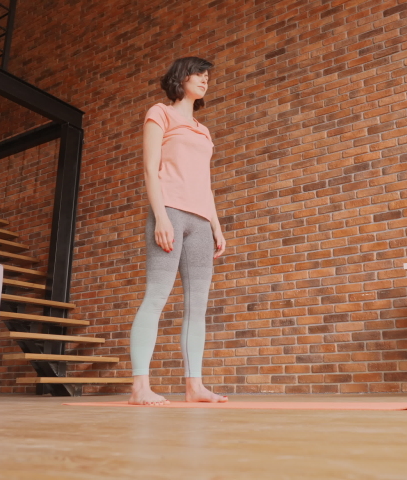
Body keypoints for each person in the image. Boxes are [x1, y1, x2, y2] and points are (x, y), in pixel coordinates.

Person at [128, 57, 228, 405]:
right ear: (180, 78)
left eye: (207, 76)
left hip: (201, 221)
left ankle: (194, 386)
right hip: (170, 213)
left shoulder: (203, 130)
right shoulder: (160, 113)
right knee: (157, 296)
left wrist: (216, 225)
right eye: (199, 74)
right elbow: (149, 170)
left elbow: (206, 184)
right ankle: (140, 386)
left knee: (197, 306)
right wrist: (161, 218)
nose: (205, 80)